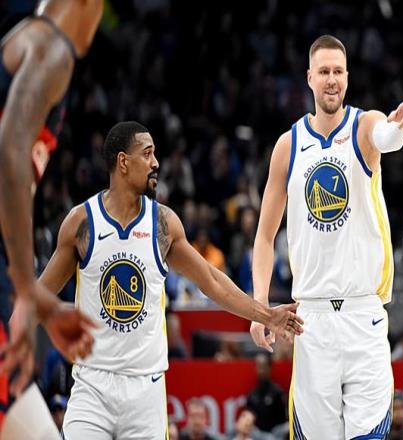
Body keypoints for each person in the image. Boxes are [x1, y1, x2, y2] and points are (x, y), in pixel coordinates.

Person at [37, 121, 304, 439]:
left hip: (145, 390)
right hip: (92, 386)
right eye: (147, 153)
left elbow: (211, 281)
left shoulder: (162, 224)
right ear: (123, 162)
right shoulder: (82, 223)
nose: (156, 163)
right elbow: (36, 298)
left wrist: (267, 315)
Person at [250, 34, 403, 438]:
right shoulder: (288, 146)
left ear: (347, 77)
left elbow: (386, 136)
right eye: (324, 71)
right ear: (309, 78)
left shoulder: (363, 125)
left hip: (363, 314)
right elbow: (264, 237)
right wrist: (259, 305)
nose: (331, 79)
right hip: (312, 321)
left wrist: (401, 127)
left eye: (338, 71)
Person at [0, 0, 102, 431]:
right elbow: (9, 149)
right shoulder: (50, 47)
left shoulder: (22, 43)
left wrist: (36, 299)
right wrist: (27, 289)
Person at [246, 353, 287, 433]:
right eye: (259, 367)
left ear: (269, 368)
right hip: (257, 435)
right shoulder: (252, 395)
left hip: (276, 434)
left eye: (264, 367)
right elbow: (249, 418)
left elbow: (284, 420)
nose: (261, 371)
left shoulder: (278, 393)